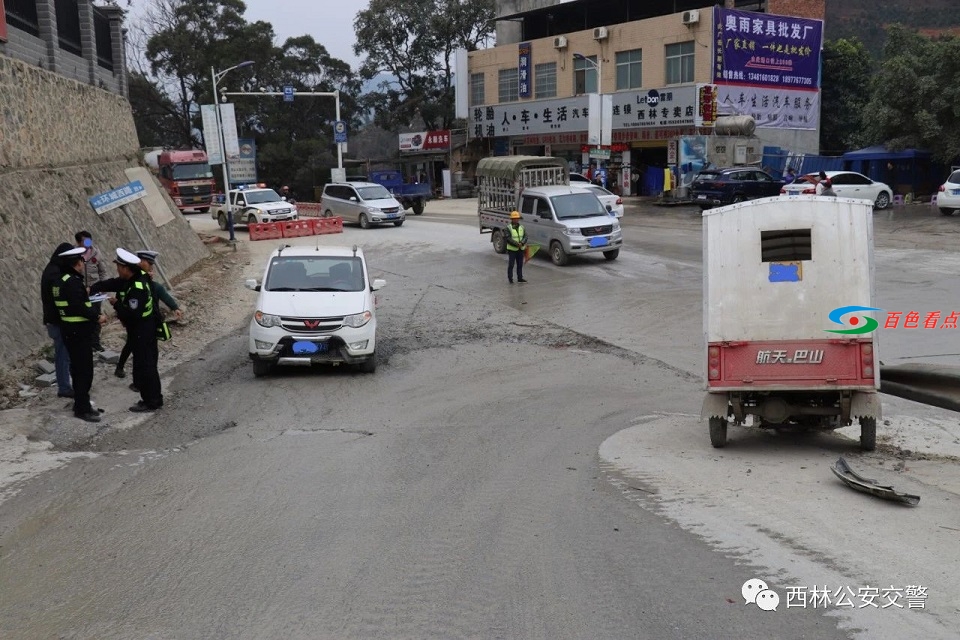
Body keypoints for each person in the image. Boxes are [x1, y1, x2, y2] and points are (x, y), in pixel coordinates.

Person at [93, 248, 164, 412]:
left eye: (118, 266)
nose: (117, 270)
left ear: (126, 268)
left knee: (147, 366)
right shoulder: (132, 279)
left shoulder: (137, 287)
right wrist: (94, 287)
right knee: (144, 365)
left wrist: (116, 303)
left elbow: (133, 315)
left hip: (143, 329)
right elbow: (112, 282)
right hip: (141, 329)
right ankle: (150, 398)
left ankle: (152, 401)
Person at [52, 246, 107, 422]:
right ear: (77, 263)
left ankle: (81, 403)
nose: (83, 264)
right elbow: (80, 306)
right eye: (82, 261)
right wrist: (97, 316)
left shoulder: (59, 280)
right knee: (84, 372)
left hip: (68, 331)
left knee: (77, 370)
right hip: (79, 332)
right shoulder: (73, 282)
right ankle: (82, 409)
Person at [111, 251, 183, 380]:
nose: (151, 267)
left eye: (151, 264)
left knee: (147, 350)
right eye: (148, 263)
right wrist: (121, 316)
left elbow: (162, 293)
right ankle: (130, 373)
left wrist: (174, 307)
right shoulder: (131, 281)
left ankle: (147, 375)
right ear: (140, 262)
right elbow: (122, 298)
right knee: (134, 347)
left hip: (149, 321)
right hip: (136, 322)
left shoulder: (148, 281)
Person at [41, 242, 77, 399]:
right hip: (57, 321)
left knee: (65, 353)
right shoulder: (54, 274)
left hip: (54, 319)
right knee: (62, 354)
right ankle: (64, 387)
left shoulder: (52, 270)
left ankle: (67, 384)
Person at [76, 231, 108, 351]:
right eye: (85, 241)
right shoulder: (75, 255)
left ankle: (95, 342)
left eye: (89, 241)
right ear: (79, 242)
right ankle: (85, 342)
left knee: (96, 315)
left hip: (95, 291)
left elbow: (102, 272)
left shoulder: (96, 253)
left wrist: (103, 286)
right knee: (83, 316)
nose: (87, 244)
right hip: (80, 291)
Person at [505, 211, 528, 284]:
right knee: (511, 265)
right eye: (514, 218)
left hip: (520, 249)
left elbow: (525, 236)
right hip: (512, 249)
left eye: (517, 218)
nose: (516, 220)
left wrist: (522, 243)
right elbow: (508, 238)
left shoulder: (522, 227)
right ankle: (510, 279)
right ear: (512, 219)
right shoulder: (508, 228)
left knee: (520, 264)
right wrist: (516, 244)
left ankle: (520, 278)